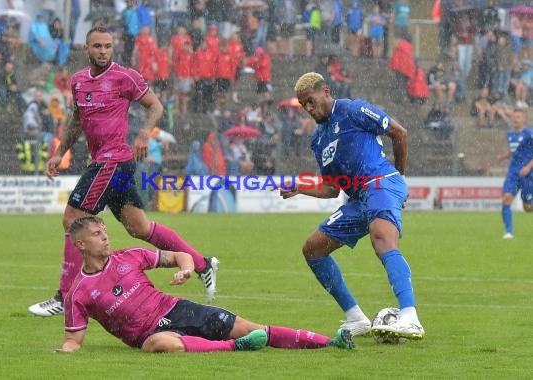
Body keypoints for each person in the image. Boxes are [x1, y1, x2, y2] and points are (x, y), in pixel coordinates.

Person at [28, 26, 219, 317]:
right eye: (97, 46)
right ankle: (203, 264)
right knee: (139, 227)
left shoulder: (125, 76)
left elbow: (154, 106)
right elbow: (77, 120)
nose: (103, 51)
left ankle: (65, 297)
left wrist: (144, 132)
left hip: (113, 160)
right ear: (87, 49)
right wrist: (59, 152)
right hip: (109, 162)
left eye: (107, 46)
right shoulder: (79, 81)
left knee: (72, 218)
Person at [56, 216, 355, 353]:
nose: (105, 236)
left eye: (105, 230)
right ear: (81, 244)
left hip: (176, 309)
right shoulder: (78, 292)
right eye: (97, 234)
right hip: (147, 335)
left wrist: (186, 270)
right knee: (161, 344)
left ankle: (330, 342)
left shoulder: (130, 256)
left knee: (254, 328)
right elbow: (74, 340)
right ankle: (233, 348)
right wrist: (66, 350)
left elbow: (180, 256)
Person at [278, 72, 425, 341]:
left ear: (325, 90)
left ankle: (410, 316)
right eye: (304, 105)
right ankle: (356, 318)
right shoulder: (318, 140)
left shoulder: (353, 110)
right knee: (313, 249)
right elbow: (333, 187)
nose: (309, 109)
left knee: (382, 240)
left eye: (311, 101)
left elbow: (399, 133)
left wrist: (399, 178)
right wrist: (301, 188)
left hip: (381, 182)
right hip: (358, 198)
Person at [496, 108, 533, 239]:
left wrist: (528, 167)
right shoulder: (510, 134)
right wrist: (502, 157)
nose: (515, 119)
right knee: (506, 199)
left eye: (518, 117)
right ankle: (509, 232)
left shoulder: (529, 134)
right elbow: (513, 151)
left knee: (528, 208)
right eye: (514, 117)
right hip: (513, 173)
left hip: (528, 175)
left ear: (524, 120)